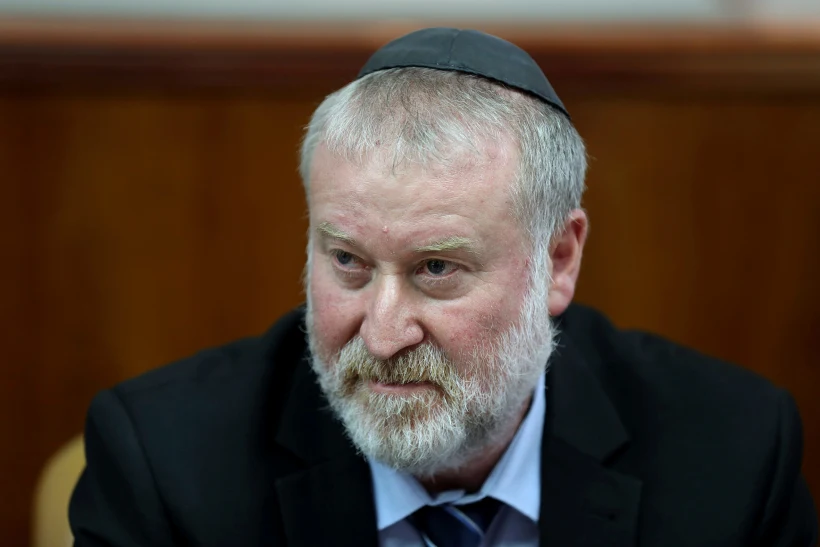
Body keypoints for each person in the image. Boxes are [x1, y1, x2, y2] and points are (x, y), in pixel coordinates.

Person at [69, 28, 817, 547]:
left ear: (558, 260)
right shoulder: (165, 463)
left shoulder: (733, 453)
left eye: (436, 269)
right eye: (348, 262)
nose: (383, 332)